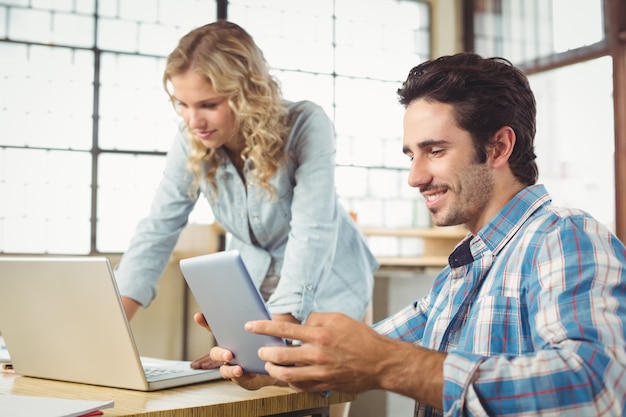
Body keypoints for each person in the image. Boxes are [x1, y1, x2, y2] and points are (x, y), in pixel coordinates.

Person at [208, 52, 626, 416]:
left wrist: (392, 365)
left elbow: (597, 389)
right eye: (411, 155)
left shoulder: (563, 236)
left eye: (436, 151)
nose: (415, 176)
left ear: (498, 147)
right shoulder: (456, 280)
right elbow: (356, 357)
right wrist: (264, 362)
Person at [113, 20, 377, 374]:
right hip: (253, 299)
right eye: (182, 104)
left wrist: (271, 340)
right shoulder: (191, 136)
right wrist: (113, 327)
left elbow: (312, 231)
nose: (194, 120)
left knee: (314, 405)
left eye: (208, 104)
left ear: (245, 93)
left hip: (329, 289)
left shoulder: (305, 124)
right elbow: (158, 229)